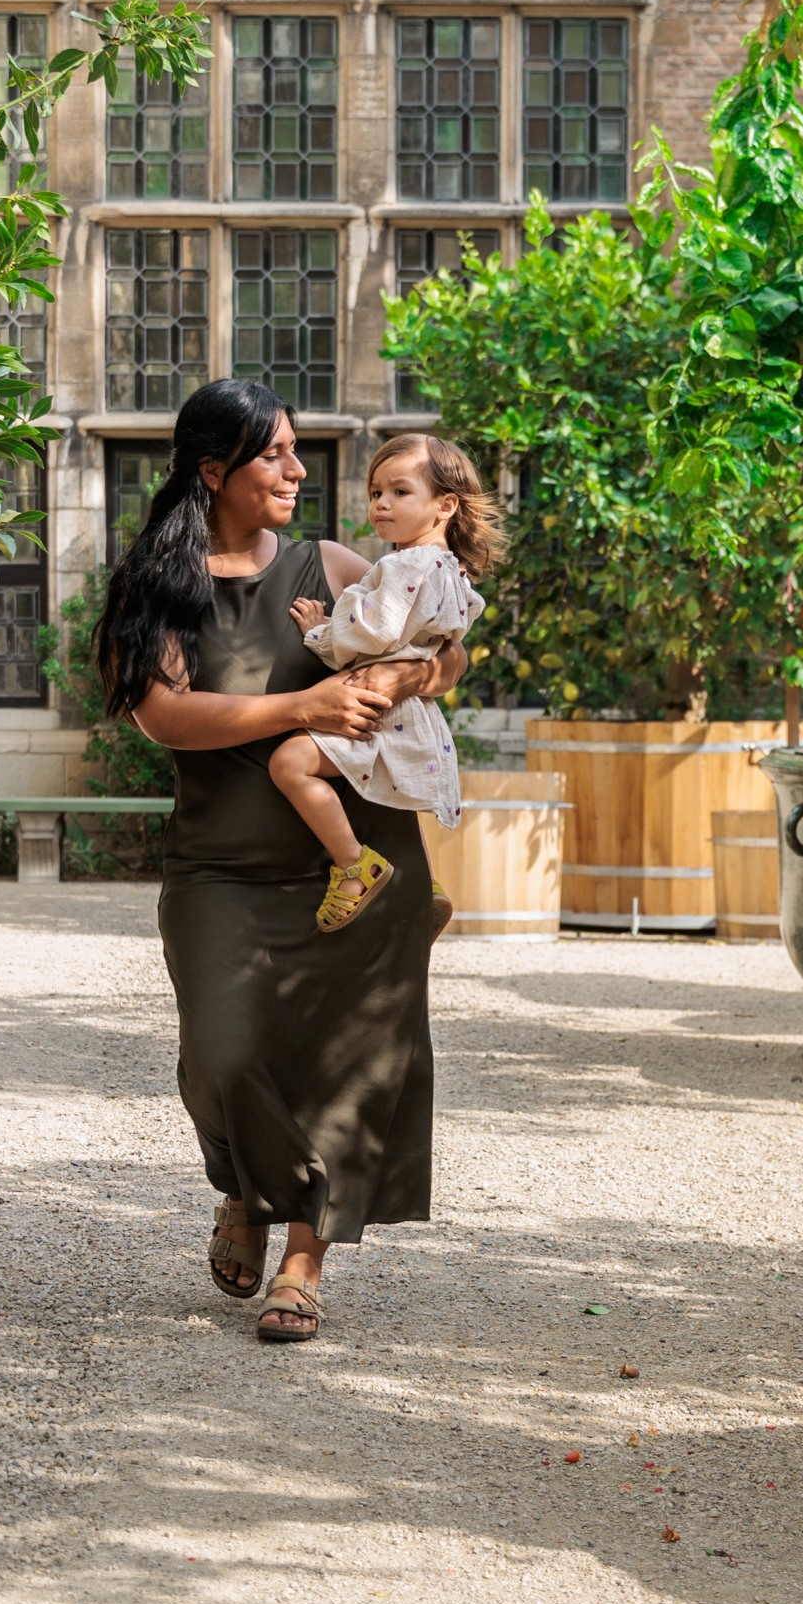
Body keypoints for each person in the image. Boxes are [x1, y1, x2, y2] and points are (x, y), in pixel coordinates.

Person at [93, 379, 469, 1344]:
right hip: (221, 868)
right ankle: (242, 1188)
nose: (300, 470)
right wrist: (303, 707)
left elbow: (445, 651)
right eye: (274, 455)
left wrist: (406, 676)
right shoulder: (159, 584)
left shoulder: (331, 562)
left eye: (299, 449)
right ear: (214, 471)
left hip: (361, 861)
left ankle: (302, 1263)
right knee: (221, 1057)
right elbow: (164, 713)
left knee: (350, 1067)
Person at [272, 433, 499, 932]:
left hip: (378, 707)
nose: (382, 504)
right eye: (376, 493)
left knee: (289, 764)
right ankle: (418, 881)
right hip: (411, 710)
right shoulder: (450, 570)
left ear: (445, 505)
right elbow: (447, 646)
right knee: (391, 793)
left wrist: (319, 631)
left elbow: (370, 632)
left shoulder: (405, 565)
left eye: (399, 492)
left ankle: (354, 865)